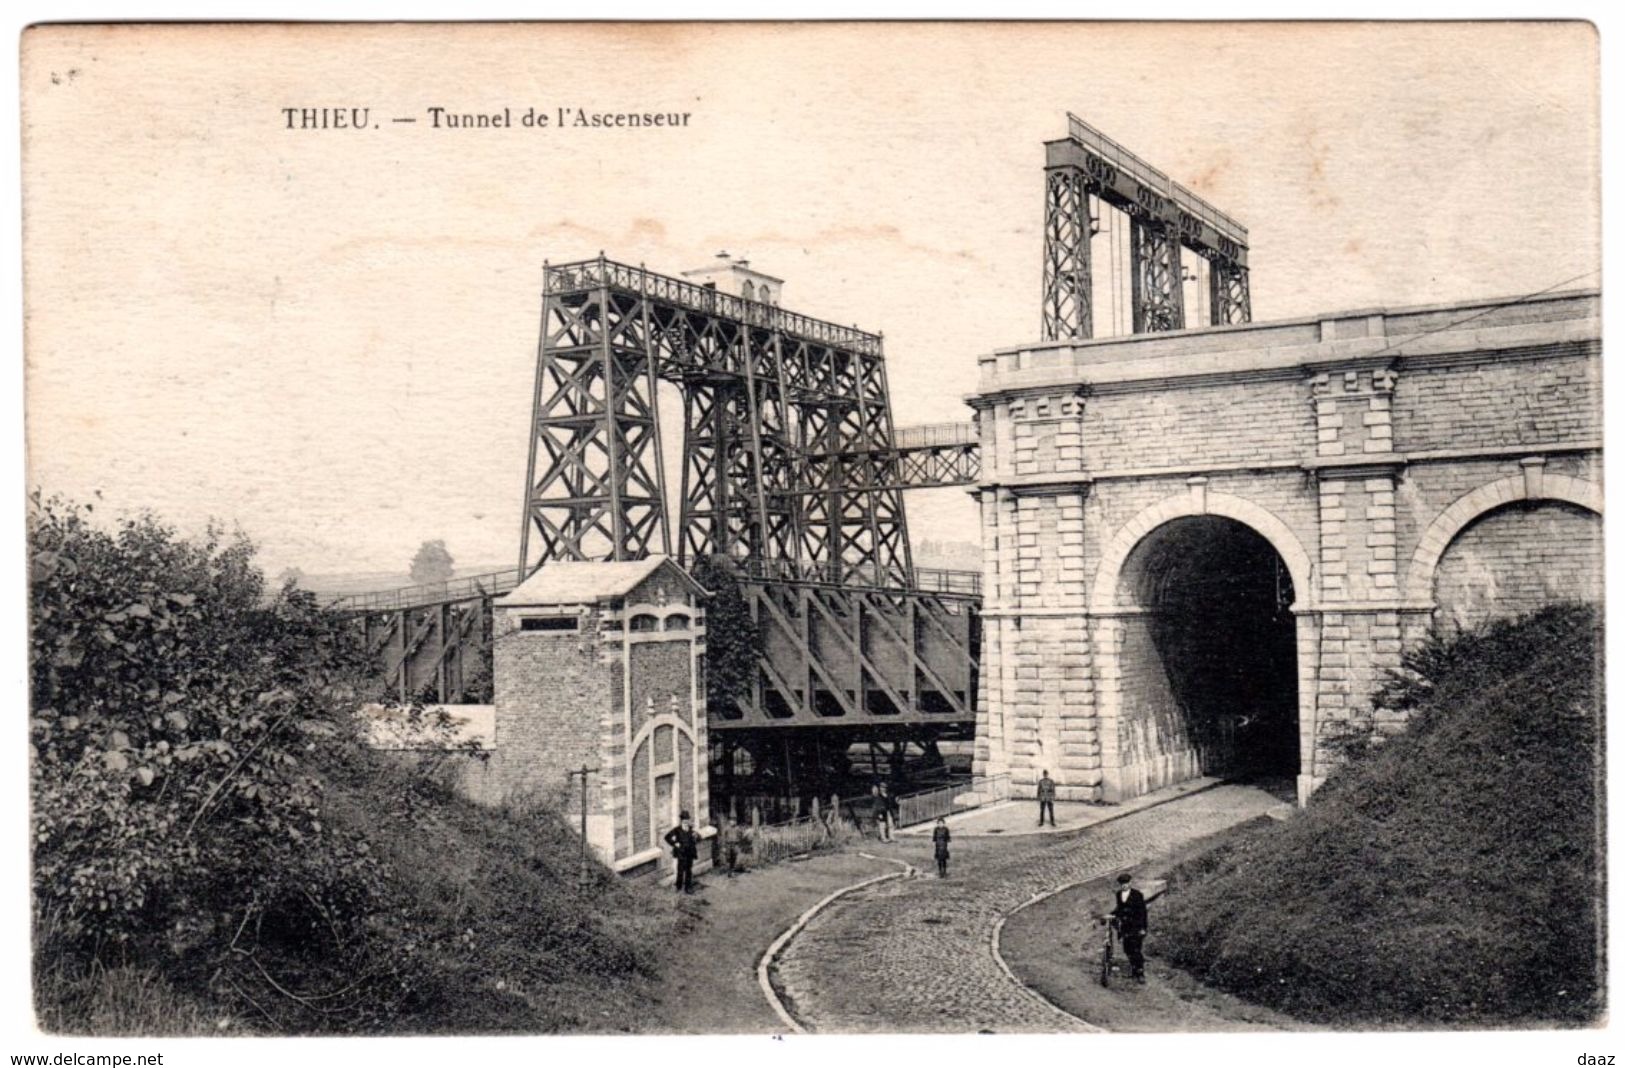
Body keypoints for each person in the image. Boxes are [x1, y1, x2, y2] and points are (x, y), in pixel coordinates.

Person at [1111, 872, 1149, 983]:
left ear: (1130, 883)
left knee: (1136, 950)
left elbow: (1142, 913)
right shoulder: (1119, 894)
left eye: (1126, 883)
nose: (1124, 885)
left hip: (1136, 927)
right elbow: (1119, 909)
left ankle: (1140, 973)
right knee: (1127, 949)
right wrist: (1111, 914)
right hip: (1125, 928)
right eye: (1122, 884)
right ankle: (1134, 970)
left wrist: (1143, 928)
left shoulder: (1137, 895)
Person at [664, 810, 701, 894]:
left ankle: (688, 888)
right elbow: (667, 837)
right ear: (681, 821)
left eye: (687, 820)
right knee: (680, 870)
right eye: (684, 821)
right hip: (681, 853)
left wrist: (696, 836)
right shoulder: (677, 830)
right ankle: (678, 887)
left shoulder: (691, 830)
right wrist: (674, 843)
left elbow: (699, 838)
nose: (686, 823)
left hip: (690, 853)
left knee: (689, 870)